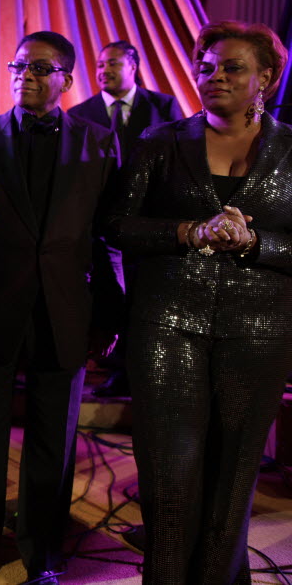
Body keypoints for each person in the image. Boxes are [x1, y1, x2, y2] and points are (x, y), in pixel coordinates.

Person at [106, 20, 292, 584]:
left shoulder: (291, 149)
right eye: (206, 67)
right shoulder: (161, 141)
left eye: (232, 67)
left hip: (260, 330)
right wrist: (189, 231)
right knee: (169, 475)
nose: (215, 76)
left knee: (233, 476)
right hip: (167, 324)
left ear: (266, 77)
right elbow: (116, 225)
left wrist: (255, 242)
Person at [0, 32, 122, 585]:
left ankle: (44, 552)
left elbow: (106, 237)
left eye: (40, 68)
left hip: (64, 310)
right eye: (18, 65)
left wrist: (109, 315)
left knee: (54, 439)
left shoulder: (100, 143)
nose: (25, 74)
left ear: (67, 80)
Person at [70, 40, 185, 398]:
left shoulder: (163, 106)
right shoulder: (81, 111)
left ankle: (146, 371)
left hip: (151, 219)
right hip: (101, 217)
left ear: (133, 67)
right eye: (100, 64)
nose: (104, 70)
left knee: (144, 294)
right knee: (110, 293)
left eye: (113, 63)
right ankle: (115, 369)